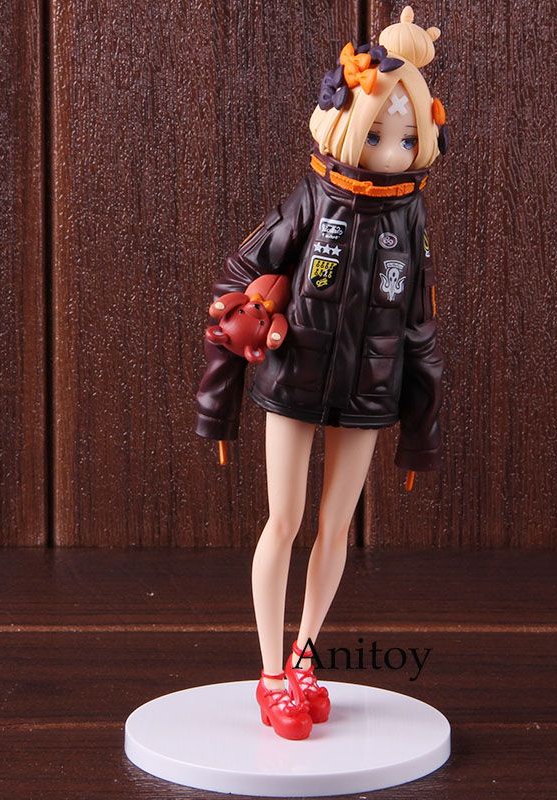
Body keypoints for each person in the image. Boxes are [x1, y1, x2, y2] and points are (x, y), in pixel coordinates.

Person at [195, 5, 447, 740]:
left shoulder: (410, 218)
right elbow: (237, 280)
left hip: (369, 389)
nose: (393, 150)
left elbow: (420, 326)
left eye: (407, 137)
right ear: (343, 125)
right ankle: (270, 674)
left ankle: (304, 658)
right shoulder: (313, 199)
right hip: (293, 378)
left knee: (336, 529)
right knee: (285, 520)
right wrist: (221, 391)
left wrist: (421, 428)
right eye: (378, 133)